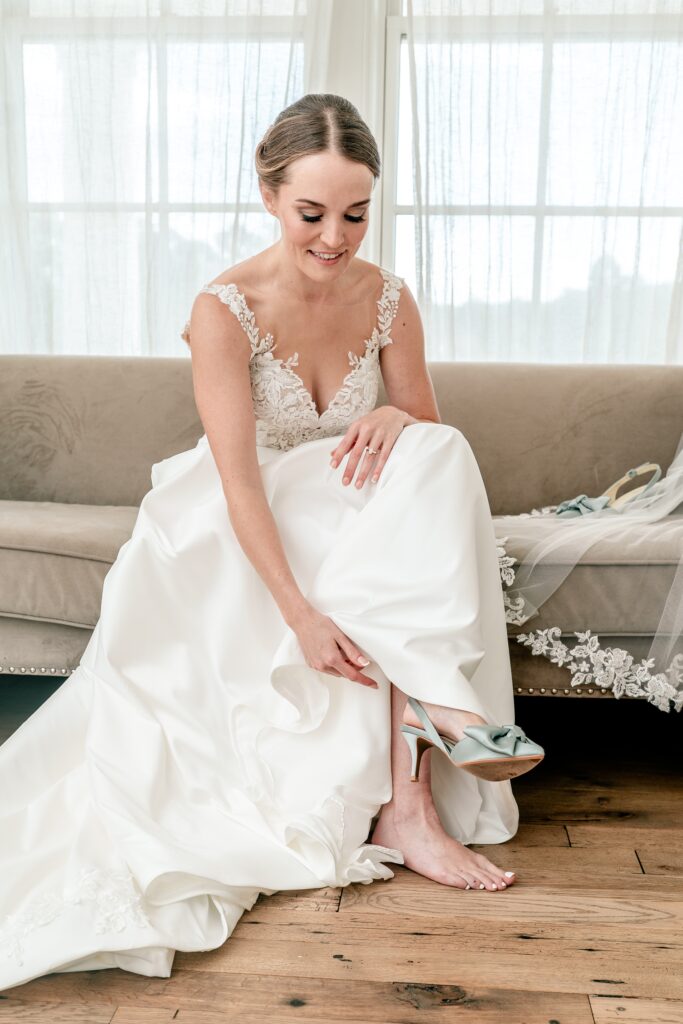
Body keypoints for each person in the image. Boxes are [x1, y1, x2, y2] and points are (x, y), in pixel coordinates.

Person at [0, 93, 542, 991]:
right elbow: (237, 475)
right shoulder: (225, 308)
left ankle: (411, 794)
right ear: (267, 194)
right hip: (241, 511)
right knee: (371, 527)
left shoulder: (390, 298)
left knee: (438, 449)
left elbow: (430, 433)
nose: (336, 238)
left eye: (356, 215)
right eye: (312, 214)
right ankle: (434, 729)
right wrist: (297, 614)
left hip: (354, 503)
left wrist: (391, 420)